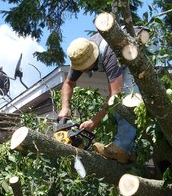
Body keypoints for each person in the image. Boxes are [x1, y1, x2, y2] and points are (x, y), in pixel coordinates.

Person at [58, 33, 140, 164]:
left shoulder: (109, 53)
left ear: (93, 58)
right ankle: (130, 151)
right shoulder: (80, 54)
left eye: (84, 67)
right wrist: (65, 108)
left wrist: (93, 121)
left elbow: (115, 96)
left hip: (133, 50)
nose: (83, 71)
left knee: (126, 97)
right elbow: (68, 83)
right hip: (120, 56)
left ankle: (122, 148)